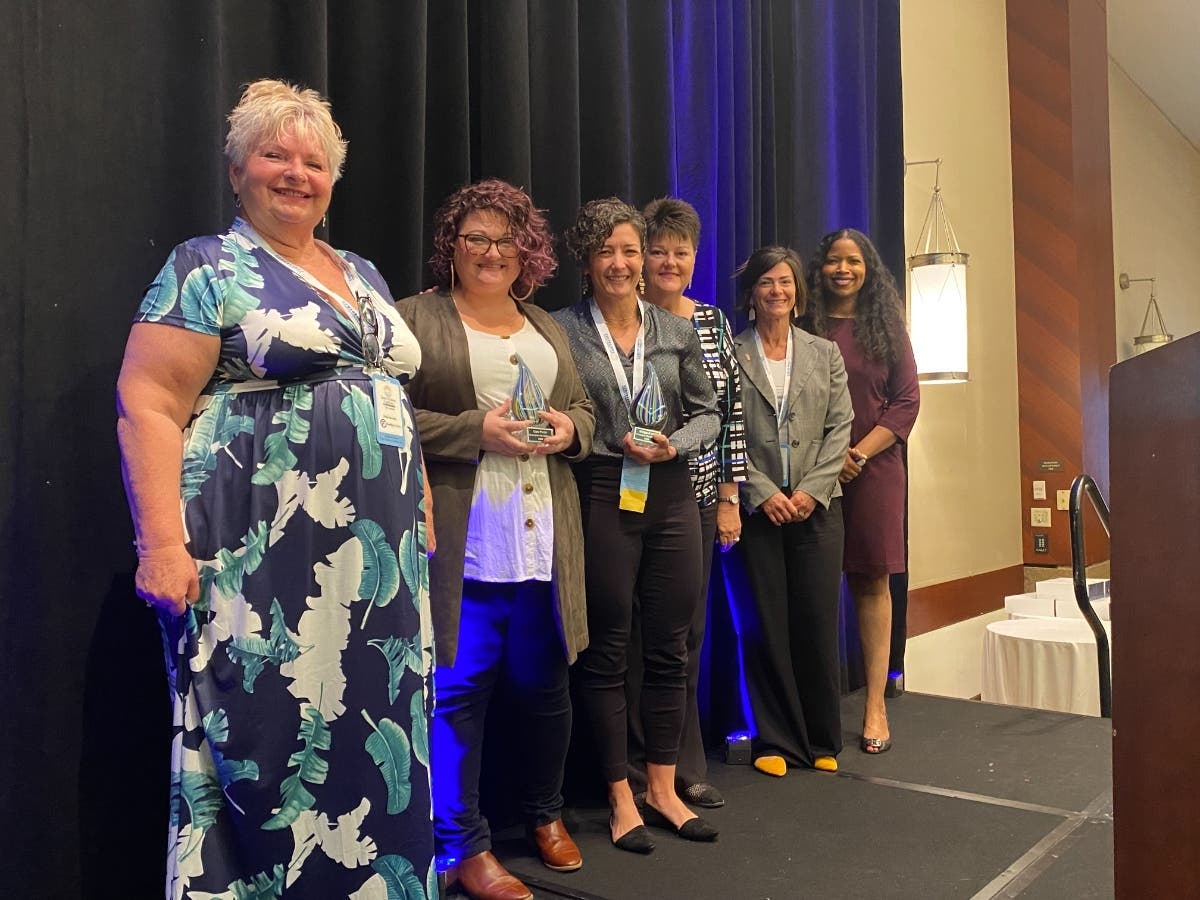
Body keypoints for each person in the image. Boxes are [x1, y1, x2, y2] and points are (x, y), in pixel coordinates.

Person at [116, 80, 436, 897]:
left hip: (378, 561)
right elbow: (149, 404)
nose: (296, 173)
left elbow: (386, 396)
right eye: (274, 156)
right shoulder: (204, 265)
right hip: (255, 543)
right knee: (265, 731)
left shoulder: (360, 271)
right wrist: (159, 544)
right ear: (236, 171)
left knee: (375, 724)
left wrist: (421, 503)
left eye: (313, 161)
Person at [396, 179, 595, 900]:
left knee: (547, 690)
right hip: (468, 541)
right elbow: (386, 415)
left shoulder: (545, 325)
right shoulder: (415, 318)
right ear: (452, 247)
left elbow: (582, 408)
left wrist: (573, 429)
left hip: (545, 540)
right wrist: (473, 431)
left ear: (526, 253)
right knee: (459, 697)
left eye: (505, 240)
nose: (490, 252)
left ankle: (545, 814)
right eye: (475, 238)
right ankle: (461, 845)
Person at [554, 198, 722, 854]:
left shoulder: (677, 331)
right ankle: (619, 795)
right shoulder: (562, 330)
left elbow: (709, 411)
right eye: (607, 252)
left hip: (672, 493)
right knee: (607, 650)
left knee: (670, 647)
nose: (620, 263)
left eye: (630, 250)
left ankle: (663, 787)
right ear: (589, 263)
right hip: (601, 490)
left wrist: (675, 443)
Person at [626, 197, 747, 809]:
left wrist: (729, 496)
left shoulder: (713, 323)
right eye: (659, 250)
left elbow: (729, 416)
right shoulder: (622, 319)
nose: (670, 261)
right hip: (626, 499)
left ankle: (680, 765)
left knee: (687, 635)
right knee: (630, 636)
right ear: (640, 257)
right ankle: (633, 768)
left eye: (682, 251)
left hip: (697, 500)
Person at [728, 246, 852, 777]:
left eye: (785, 282)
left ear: (798, 293)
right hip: (758, 509)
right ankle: (773, 741)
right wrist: (760, 490)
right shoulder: (731, 354)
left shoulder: (825, 354)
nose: (776, 291)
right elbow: (726, 433)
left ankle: (823, 737)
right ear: (751, 294)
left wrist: (810, 490)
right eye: (765, 283)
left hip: (817, 506)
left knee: (817, 622)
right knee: (764, 626)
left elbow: (840, 428)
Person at [802, 228, 920, 754]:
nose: (842, 269)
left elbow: (906, 403)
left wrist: (856, 455)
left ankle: (874, 704)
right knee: (814, 588)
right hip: (809, 473)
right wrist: (827, 462)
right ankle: (812, 710)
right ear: (820, 268)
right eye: (833, 260)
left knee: (872, 584)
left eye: (852, 261)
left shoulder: (887, 328)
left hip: (872, 473)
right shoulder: (804, 322)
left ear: (868, 268)